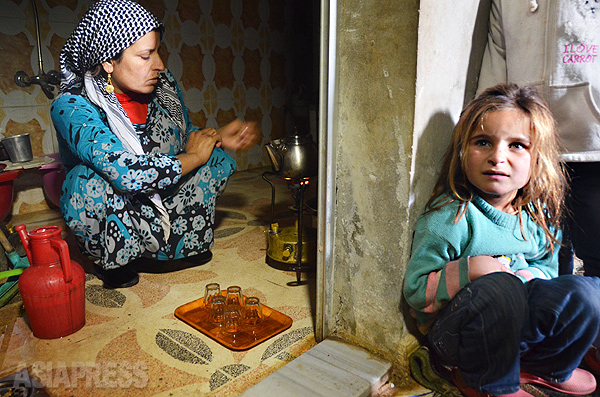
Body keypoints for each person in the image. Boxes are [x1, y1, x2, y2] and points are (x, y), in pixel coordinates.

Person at [403, 84, 600, 397]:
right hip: (460, 339)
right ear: (463, 151)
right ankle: (485, 381)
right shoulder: (451, 220)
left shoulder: (536, 216)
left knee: (589, 293)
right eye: (483, 142)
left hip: (515, 328)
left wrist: (524, 278)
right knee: (499, 288)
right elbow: (416, 295)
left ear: (537, 160)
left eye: (517, 145)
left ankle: (546, 366)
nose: (498, 157)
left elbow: (548, 272)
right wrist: (472, 270)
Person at [50, 0, 260, 289]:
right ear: (108, 61)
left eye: (158, 51)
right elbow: (125, 172)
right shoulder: (72, 106)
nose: (160, 64)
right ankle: (118, 260)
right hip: (121, 210)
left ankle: (173, 249)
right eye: (146, 55)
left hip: (163, 196)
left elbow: (182, 138)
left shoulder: (163, 86)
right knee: (83, 182)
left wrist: (218, 137)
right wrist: (195, 157)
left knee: (215, 159)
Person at [477, 0, 600, 378]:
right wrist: (489, 120)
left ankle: (593, 340)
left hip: (594, 139)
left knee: (596, 252)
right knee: (547, 253)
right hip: (531, 143)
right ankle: (561, 348)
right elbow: (497, 56)